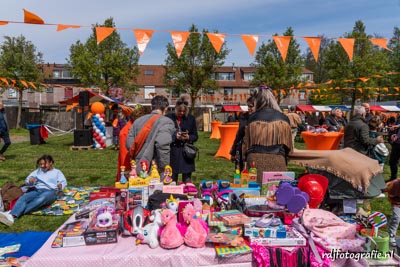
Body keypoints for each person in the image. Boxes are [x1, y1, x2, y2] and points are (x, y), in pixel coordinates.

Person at [242, 85, 292, 184]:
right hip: (278, 159)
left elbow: (246, 144)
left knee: (254, 193)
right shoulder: (284, 119)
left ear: (257, 100)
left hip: (254, 161)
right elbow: (288, 147)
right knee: (278, 194)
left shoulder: (252, 118)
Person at [0, 154, 67, 226]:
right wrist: (30, 181)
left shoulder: (57, 172)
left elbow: (63, 182)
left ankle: (12, 214)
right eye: (41, 164)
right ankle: (12, 215)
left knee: (41, 199)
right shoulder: (38, 171)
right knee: (24, 198)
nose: (42, 166)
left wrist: (60, 186)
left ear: (51, 163)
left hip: (51, 192)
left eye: (44, 164)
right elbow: (28, 180)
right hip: (37, 190)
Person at [126, 95, 175, 174]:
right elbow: (162, 144)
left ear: (151, 107)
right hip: (155, 169)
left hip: (138, 166)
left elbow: (129, 144)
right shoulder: (166, 121)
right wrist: (164, 167)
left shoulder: (137, 121)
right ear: (166, 108)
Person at [166, 95, 198, 183]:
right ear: (176, 108)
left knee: (187, 180)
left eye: (184, 111)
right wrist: (175, 136)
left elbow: (195, 136)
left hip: (186, 152)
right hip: (173, 152)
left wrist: (188, 137)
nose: (182, 113)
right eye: (180, 111)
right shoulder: (169, 117)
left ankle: (187, 195)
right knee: (172, 179)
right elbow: (165, 134)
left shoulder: (191, 119)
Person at [115, 106, 146, 182]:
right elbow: (124, 157)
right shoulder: (126, 131)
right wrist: (127, 174)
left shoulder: (133, 128)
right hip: (130, 171)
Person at [230, 95, 255, 171]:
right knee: (240, 173)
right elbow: (239, 135)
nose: (249, 109)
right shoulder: (244, 117)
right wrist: (233, 152)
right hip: (242, 149)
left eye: (251, 106)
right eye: (248, 106)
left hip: (255, 152)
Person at [384, 178, 400, 246]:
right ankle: (391, 235)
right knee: (396, 217)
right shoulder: (395, 183)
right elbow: (383, 188)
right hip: (396, 201)